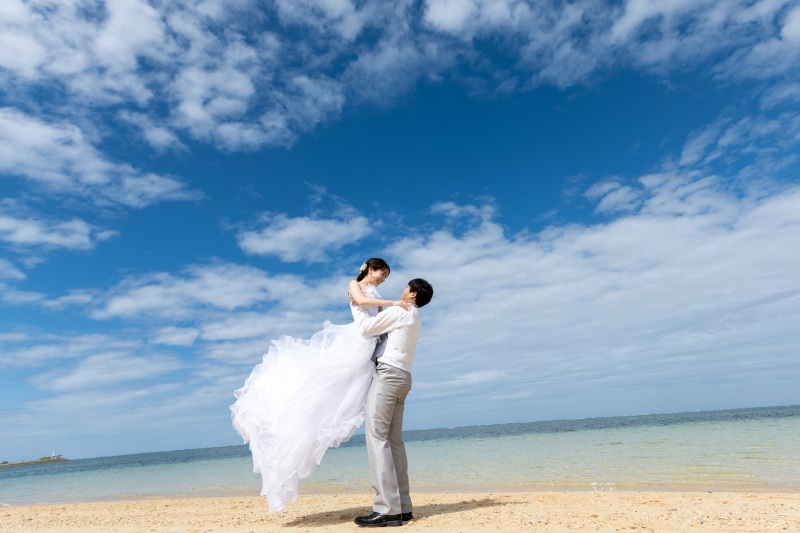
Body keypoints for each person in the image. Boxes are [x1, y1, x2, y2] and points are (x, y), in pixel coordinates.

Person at [230, 258, 409, 512]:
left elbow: (379, 318)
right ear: (370, 269)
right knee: (325, 387)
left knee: (349, 396)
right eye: (382, 273)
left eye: (386, 277)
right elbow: (361, 303)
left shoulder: (376, 292)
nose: (383, 278)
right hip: (356, 341)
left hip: (370, 343)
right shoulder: (354, 284)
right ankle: (299, 418)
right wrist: (393, 303)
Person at [353, 278, 434, 528]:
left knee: (377, 438)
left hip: (388, 374)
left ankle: (386, 509)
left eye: (406, 287)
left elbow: (367, 329)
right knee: (394, 441)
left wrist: (356, 305)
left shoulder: (401, 309)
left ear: (412, 294)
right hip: (403, 377)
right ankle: (403, 507)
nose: (402, 290)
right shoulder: (416, 316)